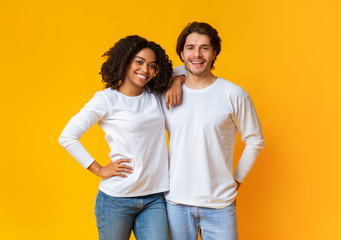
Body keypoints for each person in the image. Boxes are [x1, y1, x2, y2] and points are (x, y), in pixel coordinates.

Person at [58, 35, 175, 240]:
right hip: (116, 199)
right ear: (125, 61)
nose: (145, 70)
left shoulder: (155, 96)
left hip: (155, 197)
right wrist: (99, 169)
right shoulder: (106, 99)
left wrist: (179, 80)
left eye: (152, 66)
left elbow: (186, 71)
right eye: (139, 62)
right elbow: (67, 136)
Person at [162, 22, 265, 240]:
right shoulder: (167, 92)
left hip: (219, 205)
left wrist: (236, 181)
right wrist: (176, 79)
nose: (196, 54)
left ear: (214, 52)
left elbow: (255, 140)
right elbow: (155, 73)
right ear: (181, 52)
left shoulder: (234, 94)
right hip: (176, 203)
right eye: (190, 48)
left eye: (204, 48)